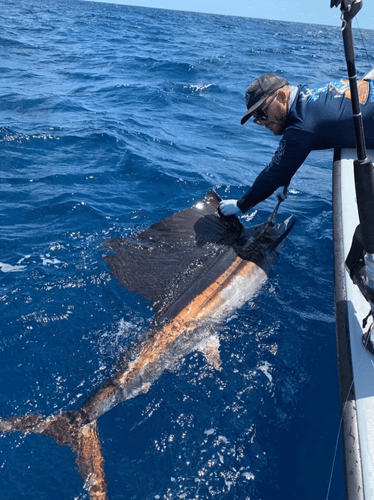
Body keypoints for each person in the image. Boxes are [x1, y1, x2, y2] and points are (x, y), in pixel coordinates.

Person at [219, 73, 374, 216]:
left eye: (262, 114)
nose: (263, 122)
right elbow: (287, 158)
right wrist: (284, 179)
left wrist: (241, 205)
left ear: (280, 96)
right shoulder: (305, 95)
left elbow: (275, 171)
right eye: (257, 119)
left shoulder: (302, 125)